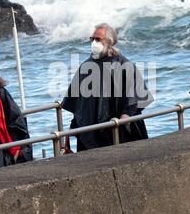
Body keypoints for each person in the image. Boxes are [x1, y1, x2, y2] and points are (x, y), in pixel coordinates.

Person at [62, 23, 153, 152]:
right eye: (92, 39)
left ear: (109, 42)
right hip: (89, 132)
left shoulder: (124, 65)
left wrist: (124, 120)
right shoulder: (85, 67)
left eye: (98, 39)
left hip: (117, 133)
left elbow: (133, 101)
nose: (94, 42)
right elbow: (78, 104)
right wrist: (75, 127)